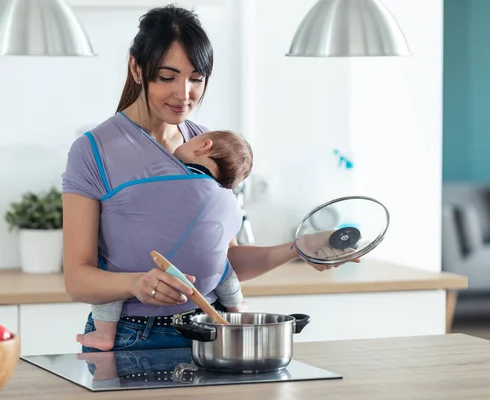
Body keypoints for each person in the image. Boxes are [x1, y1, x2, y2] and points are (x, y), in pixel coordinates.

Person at [61, 4, 359, 354]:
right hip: (131, 337)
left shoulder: (210, 147)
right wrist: (136, 284)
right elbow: (77, 279)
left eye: (196, 79)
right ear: (136, 68)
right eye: (167, 76)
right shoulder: (93, 150)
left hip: (211, 330)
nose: (183, 93)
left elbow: (223, 262)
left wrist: (298, 248)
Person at [75, 130, 253, 351]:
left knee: (110, 275)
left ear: (204, 145)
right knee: (224, 269)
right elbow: (228, 247)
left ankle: (104, 333)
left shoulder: (157, 171)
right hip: (201, 289)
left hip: (142, 276)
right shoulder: (225, 199)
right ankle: (235, 308)